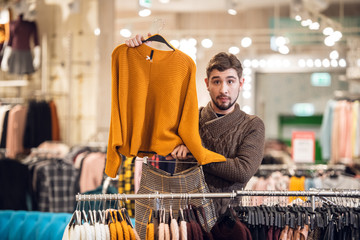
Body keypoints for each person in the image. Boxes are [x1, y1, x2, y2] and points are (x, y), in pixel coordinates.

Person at [125, 34, 265, 215]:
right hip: (183, 219)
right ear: (207, 84)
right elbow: (150, 115)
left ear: (241, 83)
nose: (224, 89)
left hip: (228, 220)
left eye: (230, 81)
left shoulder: (252, 125)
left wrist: (194, 152)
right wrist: (140, 56)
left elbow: (242, 171)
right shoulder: (187, 117)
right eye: (217, 81)